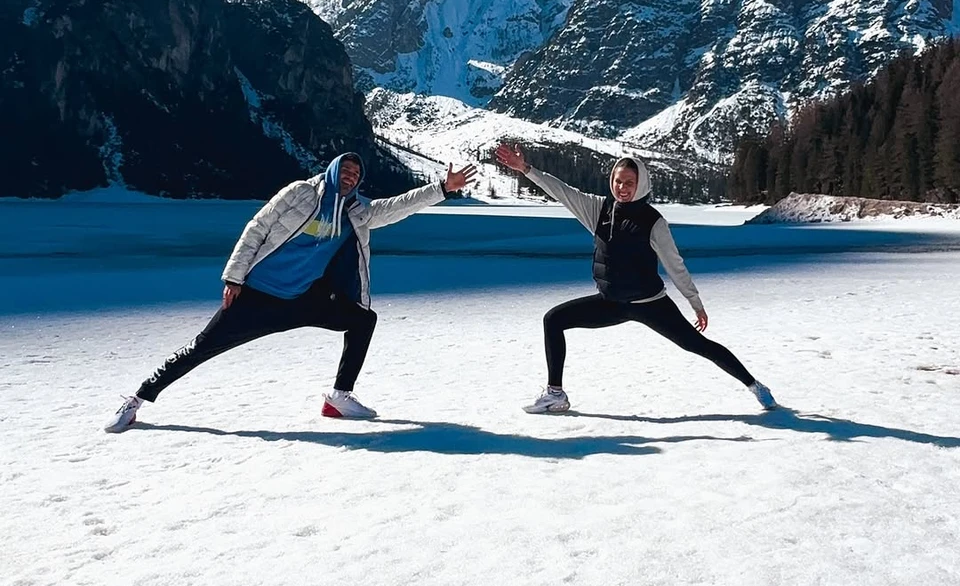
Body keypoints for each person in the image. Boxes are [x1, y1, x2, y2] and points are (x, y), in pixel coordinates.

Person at [105, 152, 476, 431]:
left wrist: (442, 189)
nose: (350, 177)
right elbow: (257, 228)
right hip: (257, 296)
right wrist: (234, 277)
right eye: (345, 171)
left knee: (363, 320)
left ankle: (339, 397)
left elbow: (396, 207)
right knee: (202, 347)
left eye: (356, 174)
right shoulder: (301, 193)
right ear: (333, 170)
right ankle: (137, 399)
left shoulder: (357, 210)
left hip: (303, 300)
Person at [494, 143, 777, 414]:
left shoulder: (653, 221)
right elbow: (562, 191)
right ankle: (555, 394)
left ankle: (754, 385)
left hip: (650, 304)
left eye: (629, 182)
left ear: (641, 184)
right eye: (618, 181)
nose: (622, 187)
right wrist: (526, 169)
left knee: (697, 345)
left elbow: (675, 265)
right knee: (554, 319)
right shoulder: (599, 210)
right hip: (611, 303)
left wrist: (695, 302)